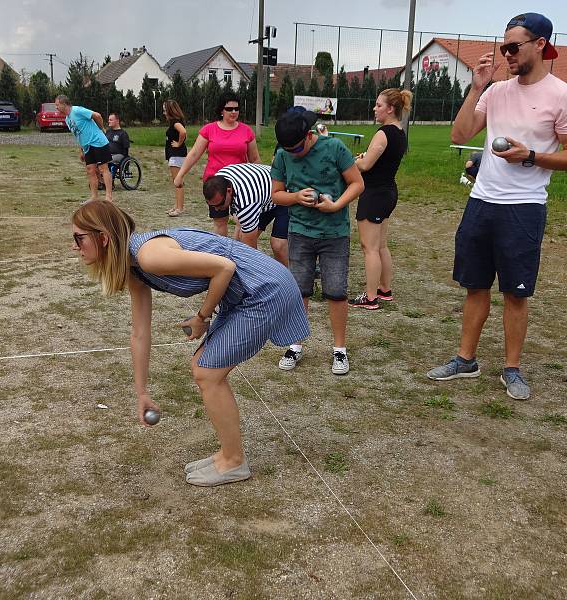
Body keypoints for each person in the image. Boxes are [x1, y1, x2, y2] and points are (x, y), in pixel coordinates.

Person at [71, 201, 309, 487]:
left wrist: (201, 317)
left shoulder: (149, 256)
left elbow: (224, 267)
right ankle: (228, 454)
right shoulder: (134, 267)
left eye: (79, 238)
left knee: (208, 373)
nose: (75, 247)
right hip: (242, 293)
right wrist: (142, 392)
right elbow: (139, 332)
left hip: (264, 288)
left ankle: (234, 462)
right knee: (203, 368)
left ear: (104, 237)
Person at [427, 12, 567, 400]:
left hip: (524, 207)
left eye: (513, 47)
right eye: (504, 48)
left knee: (516, 293)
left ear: (541, 45)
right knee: (474, 285)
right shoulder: (495, 92)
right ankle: (466, 359)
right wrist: (476, 88)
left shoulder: (562, 96)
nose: (507, 54)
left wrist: (530, 155)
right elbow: (460, 134)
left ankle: (512, 369)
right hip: (482, 201)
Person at [270, 108, 364, 376]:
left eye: (297, 148)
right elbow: (276, 195)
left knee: (336, 291)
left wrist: (336, 206)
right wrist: (296, 197)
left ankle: (339, 350)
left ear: (309, 136)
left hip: (334, 233)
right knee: (299, 291)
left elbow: (357, 184)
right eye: (288, 150)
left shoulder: (334, 147)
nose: (294, 154)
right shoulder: (283, 155)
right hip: (300, 232)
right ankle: (295, 345)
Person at [348, 88, 412, 310]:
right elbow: (377, 159)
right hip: (388, 193)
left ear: (390, 108)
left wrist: (352, 161)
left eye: (378, 105)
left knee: (369, 248)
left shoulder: (383, 133)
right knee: (381, 245)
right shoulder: (400, 132)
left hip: (375, 194)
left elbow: (366, 165)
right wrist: (365, 158)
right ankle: (385, 289)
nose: (374, 109)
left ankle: (370, 297)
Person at [173, 92, 260, 236]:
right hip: (214, 184)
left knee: (241, 221)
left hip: (239, 184)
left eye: (236, 109)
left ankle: (238, 253)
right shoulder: (209, 130)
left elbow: (255, 159)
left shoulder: (246, 131)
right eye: (229, 109)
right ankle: (222, 255)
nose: (233, 112)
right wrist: (180, 175)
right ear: (221, 110)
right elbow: (194, 154)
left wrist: (258, 182)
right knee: (220, 222)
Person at [202, 163, 289, 265]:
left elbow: (250, 249)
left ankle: (289, 276)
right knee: (241, 238)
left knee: (278, 244)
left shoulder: (246, 202)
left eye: (220, 204)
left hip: (283, 192)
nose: (217, 209)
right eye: (212, 206)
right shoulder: (218, 182)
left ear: (229, 191)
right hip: (262, 194)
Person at [55, 95, 113, 202]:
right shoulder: (67, 120)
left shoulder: (77, 110)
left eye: (57, 105)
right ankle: (94, 197)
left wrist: (102, 129)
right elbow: (79, 135)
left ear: (64, 104)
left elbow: (97, 115)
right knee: (90, 170)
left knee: (103, 168)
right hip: (87, 146)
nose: (56, 107)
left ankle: (108, 197)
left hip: (98, 142)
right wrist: (81, 151)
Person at [163, 100, 188, 217]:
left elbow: (183, 132)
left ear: (170, 110)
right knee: (176, 182)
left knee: (178, 182)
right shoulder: (174, 122)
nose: (163, 112)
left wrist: (179, 143)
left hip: (176, 154)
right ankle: (177, 205)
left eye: (165, 109)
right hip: (174, 154)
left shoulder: (175, 122)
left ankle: (180, 208)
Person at [97, 113, 130, 190]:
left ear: (117, 121)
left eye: (111, 120)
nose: (109, 121)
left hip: (119, 155)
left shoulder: (123, 133)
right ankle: (101, 181)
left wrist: (125, 160)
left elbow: (126, 149)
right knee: (96, 161)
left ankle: (110, 182)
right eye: (108, 120)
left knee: (107, 160)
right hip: (108, 154)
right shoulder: (108, 132)